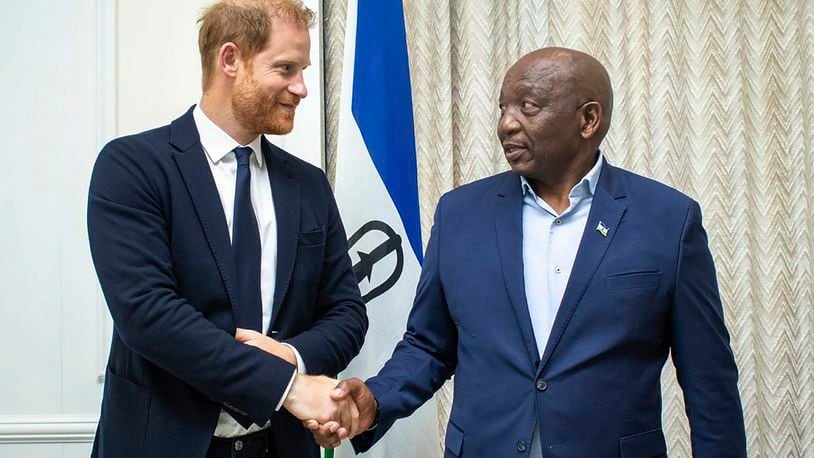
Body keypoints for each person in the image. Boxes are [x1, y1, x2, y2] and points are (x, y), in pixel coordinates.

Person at [309, 47, 747, 456]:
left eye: (528, 107)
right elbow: (429, 345)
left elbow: (708, 379)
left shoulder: (668, 220)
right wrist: (375, 400)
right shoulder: (460, 213)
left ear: (588, 119)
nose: (506, 123)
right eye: (503, 107)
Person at [87, 1, 366, 457]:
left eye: (304, 69)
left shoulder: (309, 185)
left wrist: (290, 358)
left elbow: (347, 313)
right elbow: (148, 315)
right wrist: (288, 387)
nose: (301, 87)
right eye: (286, 68)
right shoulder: (132, 167)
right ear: (230, 59)